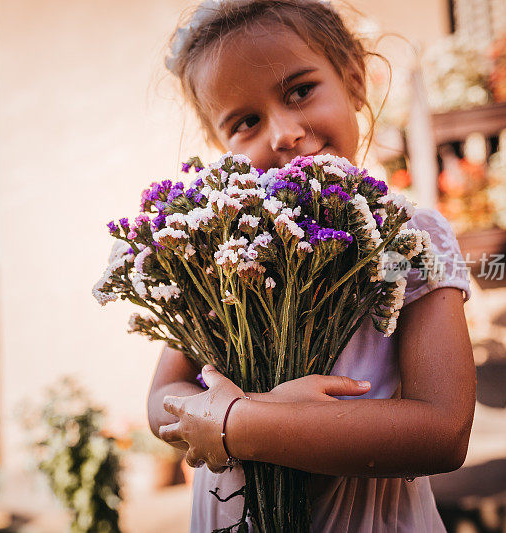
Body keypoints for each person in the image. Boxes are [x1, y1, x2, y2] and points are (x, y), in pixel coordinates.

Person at [146, 1, 476, 531]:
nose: (283, 133)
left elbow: (443, 431)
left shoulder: (407, 242)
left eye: (300, 91)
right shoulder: (215, 251)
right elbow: (163, 399)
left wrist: (245, 423)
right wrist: (210, 415)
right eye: (246, 122)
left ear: (353, 82)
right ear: (220, 145)